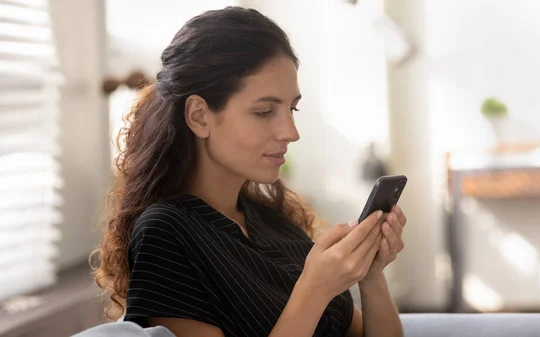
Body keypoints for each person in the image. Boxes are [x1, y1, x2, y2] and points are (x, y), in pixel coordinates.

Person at [91, 6, 407, 337]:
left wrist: (371, 275)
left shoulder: (273, 223)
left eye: (291, 108)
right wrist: (314, 290)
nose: (290, 131)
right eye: (265, 111)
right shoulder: (166, 233)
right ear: (200, 116)